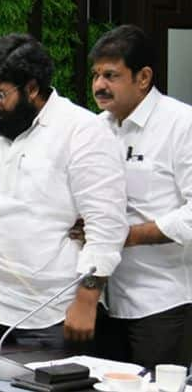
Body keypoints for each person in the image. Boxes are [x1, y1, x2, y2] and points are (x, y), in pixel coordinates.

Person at [0, 34, 128, 350]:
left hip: (54, 313)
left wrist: (87, 302)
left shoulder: (82, 131)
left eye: (0, 94)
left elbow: (107, 228)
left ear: (31, 88)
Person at [89, 24, 192, 367]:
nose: (99, 85)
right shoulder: (96, 128)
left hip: (163, 302)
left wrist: (128, 236)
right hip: (106, 299)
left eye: (111, 75)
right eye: (96, 75)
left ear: (143, 77)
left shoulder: (181, 124)